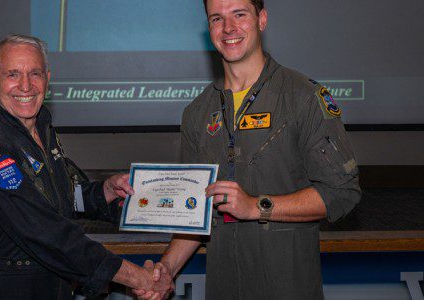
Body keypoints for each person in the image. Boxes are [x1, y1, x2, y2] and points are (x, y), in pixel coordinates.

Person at [136, 0, 361, 299]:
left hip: (288, 287)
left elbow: (342, 193)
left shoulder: (303, 97)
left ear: (261, 20)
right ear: (209, 28)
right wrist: (166, 267)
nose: (228, 28)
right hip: (224, 286)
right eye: (217, 18)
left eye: (239, 14)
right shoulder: (197, 112)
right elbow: (194, 212)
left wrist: (256, 206)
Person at [0, 34, 171, 299]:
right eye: (12, 74)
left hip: (48, 285)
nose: (26, 85)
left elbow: (61, 197)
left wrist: (105, 192)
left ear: (48, 78)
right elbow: (44, 232)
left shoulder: (41, 129)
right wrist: (137, 277)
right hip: (0, 288)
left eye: (35, 73)